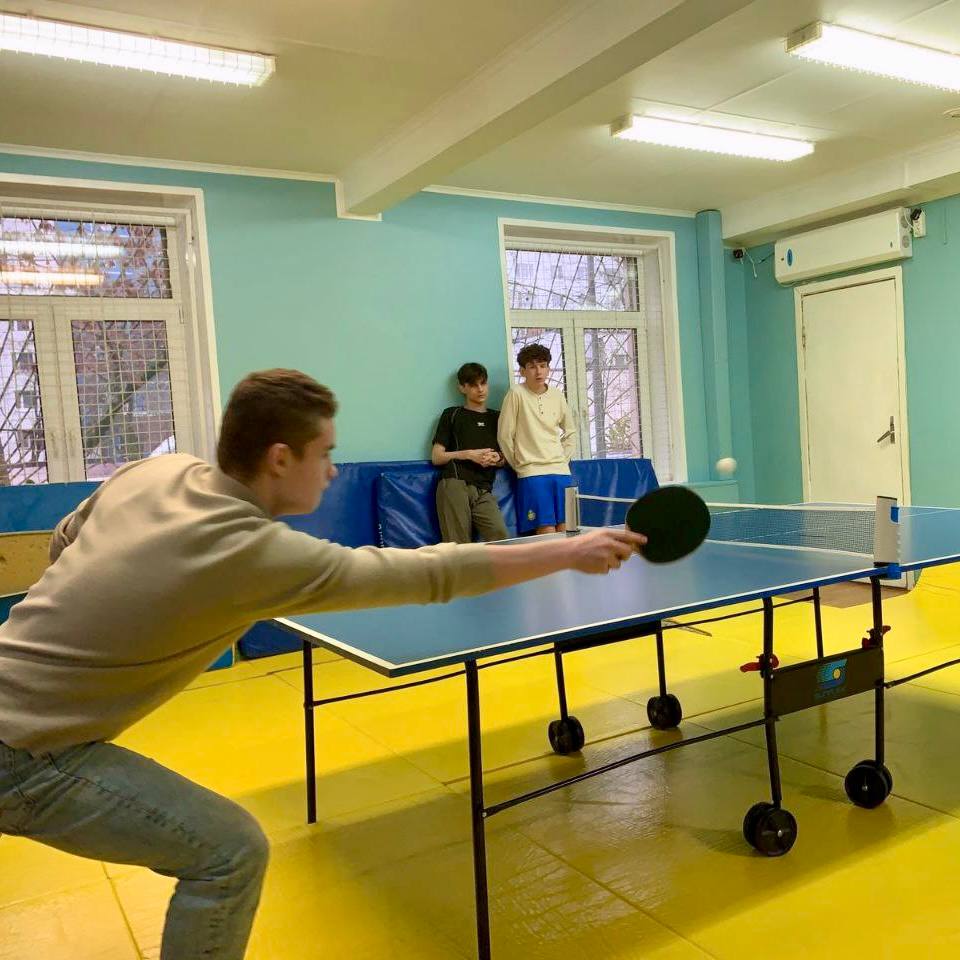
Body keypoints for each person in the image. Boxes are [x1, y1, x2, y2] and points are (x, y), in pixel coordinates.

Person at [0, 368, 645, 960]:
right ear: (280, 458)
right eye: (326, 454)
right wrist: (567, 551)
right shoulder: (252, 553)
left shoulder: (156, 471)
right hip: (25, 749)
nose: (334, 471)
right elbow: (432, 571)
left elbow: (65, 538)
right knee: (229, 854)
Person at [498, 343, 578, 535]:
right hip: (532, 473)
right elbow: (504, 435)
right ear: (522, 371)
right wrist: (520, 464)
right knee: (547, 530)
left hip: (561, 472)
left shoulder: (557, 395)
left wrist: (563, 459)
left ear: (549, 368)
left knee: (567, 529)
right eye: (532, 366)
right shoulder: (516, 394)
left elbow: (571, 432)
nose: (538, 371)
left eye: (543, 366)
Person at [431, 361, 509, 543]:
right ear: (462, 388)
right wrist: (468, 454)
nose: (480, 389)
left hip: (484, 488)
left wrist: (498, 458)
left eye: (483, 383)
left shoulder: (498, 418)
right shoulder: (452, 414)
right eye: (473, 385)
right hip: (455, 483)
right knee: (458, 544)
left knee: (501, 537)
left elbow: (507, 456)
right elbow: (436, 457)